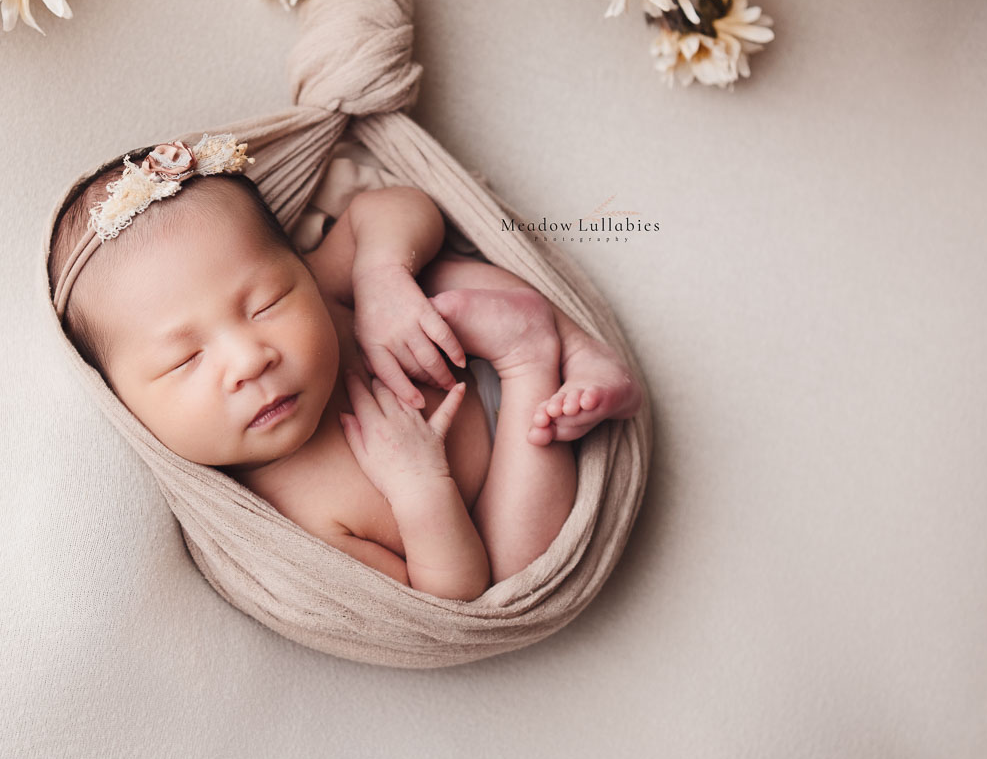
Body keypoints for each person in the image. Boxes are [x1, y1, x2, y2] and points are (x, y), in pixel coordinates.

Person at [50, 137, 641, 601]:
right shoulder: (287, 517)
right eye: (185, 358)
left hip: (462, 338)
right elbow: (454, 591)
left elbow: (388, 207)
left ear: (297, 270)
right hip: (502, 477)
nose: (251, 357)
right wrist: (421, 489)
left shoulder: (325, 302)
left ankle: (583, 352)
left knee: (423, 285)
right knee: (518, 560)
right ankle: (532, 359)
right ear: (121, 404)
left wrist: (381, 275)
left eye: (266, 304)